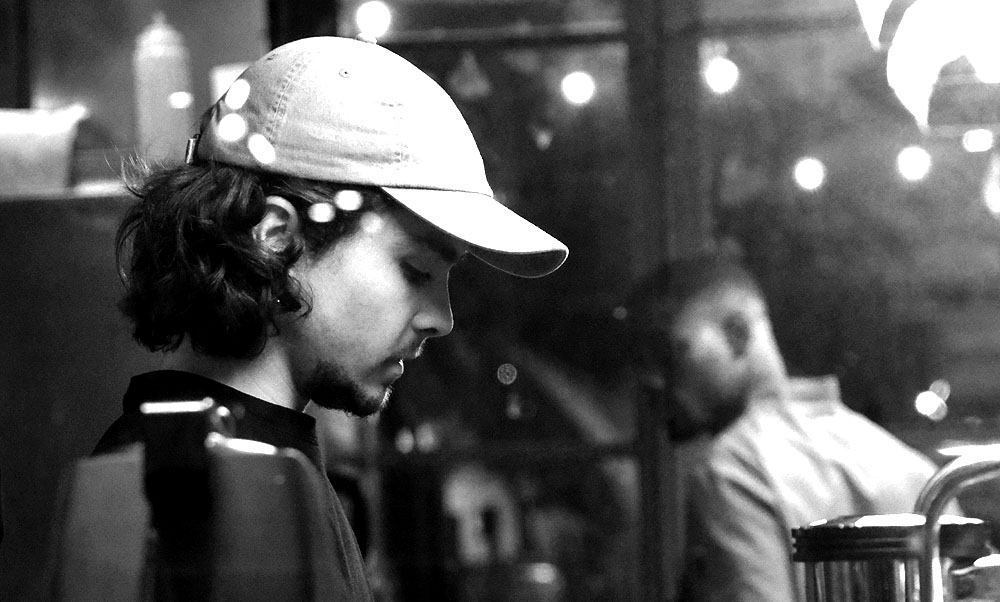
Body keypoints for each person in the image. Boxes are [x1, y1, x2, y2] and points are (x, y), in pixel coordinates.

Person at [92, 35, 567, 600]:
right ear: (275, 239)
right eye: (415, 269)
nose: (443, 318)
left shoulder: (259, 465)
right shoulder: (199, 494)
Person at [626, 253, 941, 602]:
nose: (652, 380)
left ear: (737, 333)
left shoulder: (731, 471)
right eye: (640, 361)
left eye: (668, 352)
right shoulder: (910, 466)